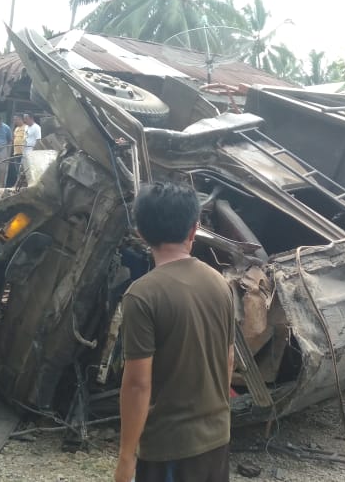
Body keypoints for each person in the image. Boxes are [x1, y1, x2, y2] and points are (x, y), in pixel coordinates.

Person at [114, 182, 234, 482]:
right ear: (194, 230)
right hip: (217, 439)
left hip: (169, 447)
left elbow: (137, 385)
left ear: (140, 233)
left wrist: (126, 458)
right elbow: (228, 359)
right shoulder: (219, 283)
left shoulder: (141, 296)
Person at [6, 114, 25, 188]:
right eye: (14, 120)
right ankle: (18, 185)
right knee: (17, 170)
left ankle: (22, 185)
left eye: (16, 119)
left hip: (23, 152)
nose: (15, 121)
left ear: (20, 119)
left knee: (23, 170)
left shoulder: (26, 127)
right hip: (16, 152)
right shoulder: (16, 129)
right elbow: (13, 139)